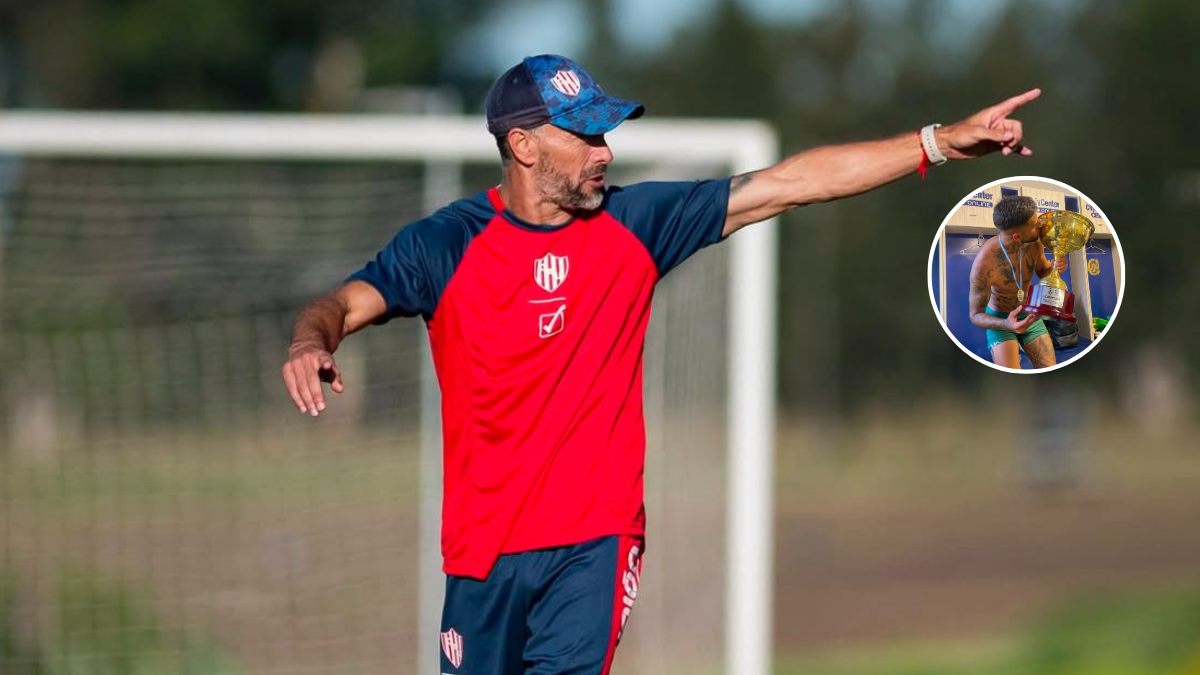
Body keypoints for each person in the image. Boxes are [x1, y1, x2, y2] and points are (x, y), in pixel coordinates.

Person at [280, 53, 1040, 675]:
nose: (605, 151)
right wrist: (310, 342)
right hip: (480, 552)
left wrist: (939, 142)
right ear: (524, 145)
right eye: (585, 136)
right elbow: (342, 304)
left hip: (594, 538)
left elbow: (792, 184)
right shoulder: (445, 244)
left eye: (606, 132)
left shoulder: (635, 225)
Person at [968, 194, 1068, 369]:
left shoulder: (1036, 243)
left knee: (1049, 368)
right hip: (1000, 320)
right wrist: (1006, 324)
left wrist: (1053, 269)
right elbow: (975, 315)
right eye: (1035, 224)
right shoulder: (984, 263)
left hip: (1029, 313)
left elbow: (1042, 271)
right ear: (1017, 237)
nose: (1041, 226)